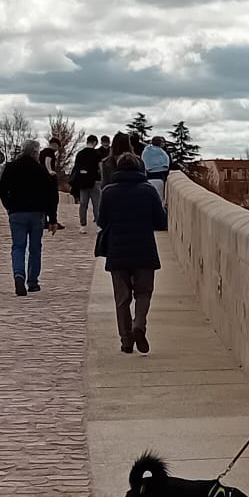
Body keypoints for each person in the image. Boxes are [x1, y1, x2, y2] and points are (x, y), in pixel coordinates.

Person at [97, 152, 166, 354]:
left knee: (122, 298)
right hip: (144, 249)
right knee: (144, 292)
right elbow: (161, 222)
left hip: (117, 251)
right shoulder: (148, 191)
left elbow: (102, 221)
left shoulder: (108, 192)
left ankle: (126, 341)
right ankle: (139, 325)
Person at [0, 140, 57, 296]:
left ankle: (19, 275)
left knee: (18, 246)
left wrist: (9, 207)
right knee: (35, 248)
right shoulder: (40, 170)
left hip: (17, 213)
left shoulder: (11, 168)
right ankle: (32, 282)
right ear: (34, 153)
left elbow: (2, 190)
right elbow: (51, 196)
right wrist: (52, 219)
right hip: (37, 214)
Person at [71, 135, 103, 228]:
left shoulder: (80, 153)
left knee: (83, 204)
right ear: (95, 142)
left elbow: (76, 168)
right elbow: (100, 167)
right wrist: (103, 178)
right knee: (96, 204)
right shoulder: (97, 153)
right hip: (95, 181)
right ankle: (98, 225)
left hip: (83, 181)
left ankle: (83, 225)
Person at [38, 143, 66, 233]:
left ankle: (44, 221)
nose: (57, 149)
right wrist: (50, 170)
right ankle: (53, 221)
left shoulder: (41, 152)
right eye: (57, 147)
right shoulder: (49, 152)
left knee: (44, 201)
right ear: (54, 145)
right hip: (49, 180)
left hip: (41, 180)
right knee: (53, 200)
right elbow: (48, 160)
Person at [141, 136, 172, 214]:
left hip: (147, 179)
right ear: (160, 143)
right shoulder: (162, 153)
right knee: (159, 200)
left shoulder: (146, 151)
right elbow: (167, 165)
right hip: (159, 179)